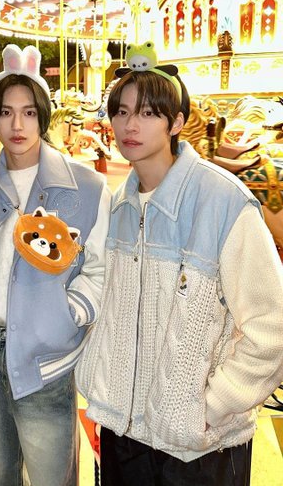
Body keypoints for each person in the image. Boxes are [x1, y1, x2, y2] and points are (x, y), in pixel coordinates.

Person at [76, 41, 283, 486]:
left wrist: (212, 405)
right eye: (122, 112)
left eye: (149, 113)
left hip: (198, 446)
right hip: (124, 433)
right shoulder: (119, 206)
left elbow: (273, 323)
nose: (130, 125)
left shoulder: (222, 202)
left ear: (177, 123)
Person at [0, 44, 111, 486]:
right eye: (7, 113)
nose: (18, 125)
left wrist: (67, 315)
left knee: (53, 478)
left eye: (29, 113)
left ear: (43, 118)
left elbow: (99, 270)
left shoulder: (88, 188)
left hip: (46, 362)